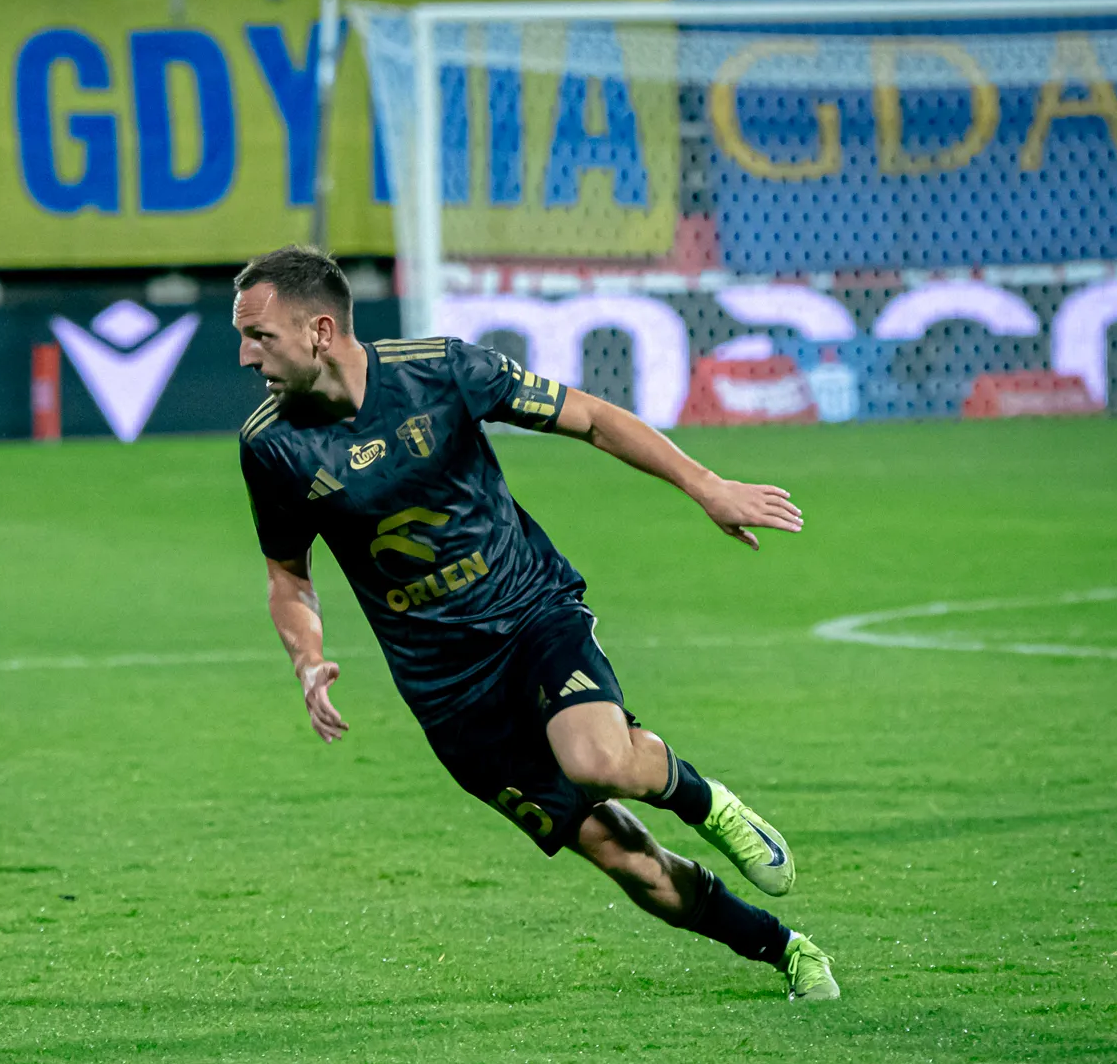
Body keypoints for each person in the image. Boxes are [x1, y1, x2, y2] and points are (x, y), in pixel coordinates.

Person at [233, 244, 838, 1001]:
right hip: (449, 694)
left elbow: (592, 418)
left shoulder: (441, 371)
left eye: (258, 336)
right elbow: (287, 576)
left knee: (598, 760)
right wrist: (306, 658)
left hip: (529, 616)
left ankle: (705, 802)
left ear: (319, 330)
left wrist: (706, 485)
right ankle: (787, 951)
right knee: (628, 862)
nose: (245, 356)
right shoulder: (270, 446)